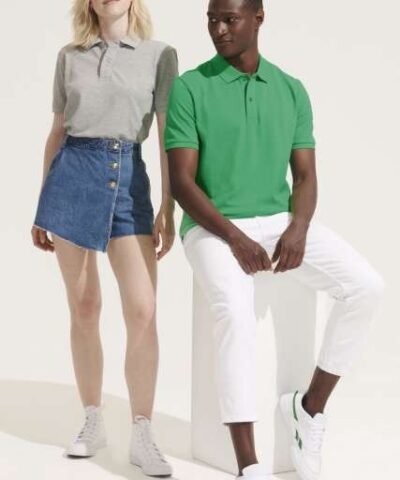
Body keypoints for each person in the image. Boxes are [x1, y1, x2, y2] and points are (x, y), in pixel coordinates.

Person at [164, 0, 384, 479]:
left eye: (230, 19)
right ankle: (248, 463)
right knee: (235, 312)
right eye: (212, 20)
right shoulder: (190, 88)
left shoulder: (290, 89)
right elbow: (182, 182)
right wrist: (234, 237)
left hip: (280, 221)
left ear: (258, 18)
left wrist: (298, 227)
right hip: (211, 228)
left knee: (366, 287)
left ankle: (309, 408)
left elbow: (304, 176)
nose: (219, 29)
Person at [31, 0, 177, 477]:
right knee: (85, 306)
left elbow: (167, 137)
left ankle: (142, 431)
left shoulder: (159, 55)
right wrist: (43, 202)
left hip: (129, 180)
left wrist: (168, 204)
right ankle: (92, 419)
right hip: (72, 178)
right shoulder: (69, 56)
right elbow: (57, 131)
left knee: (143, 309)